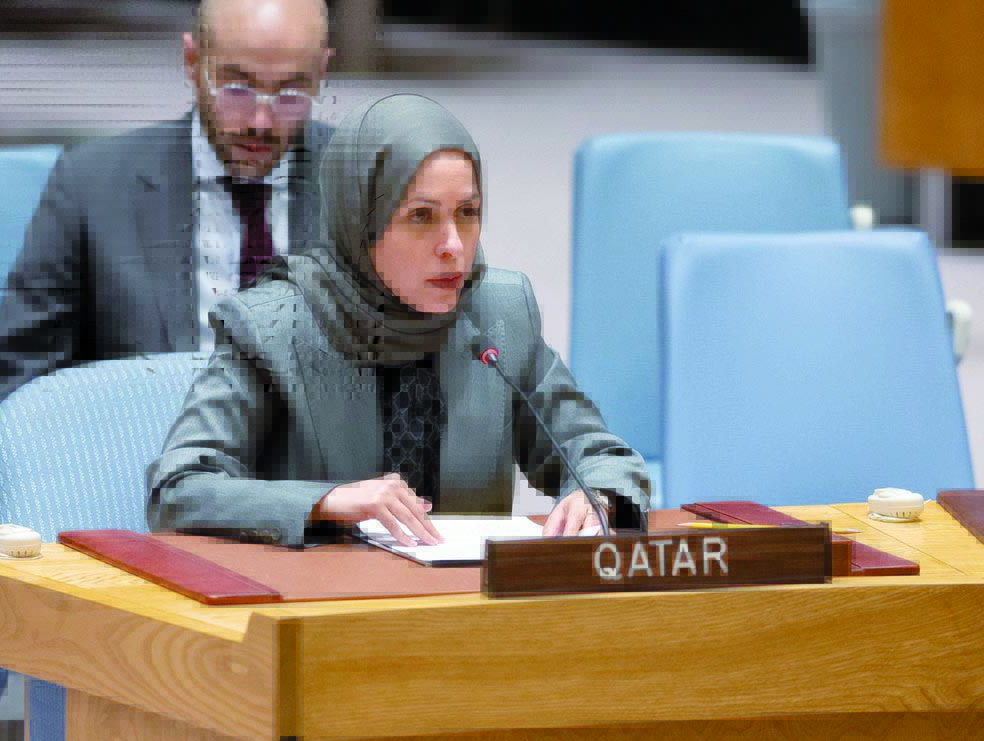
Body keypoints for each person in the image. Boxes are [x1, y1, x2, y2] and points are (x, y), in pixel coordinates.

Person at [147, 95, 651, 547]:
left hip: (465, 614)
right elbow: (179, 488)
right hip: (316, 614)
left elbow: (596, 452)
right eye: (421, 217)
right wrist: (327, 502)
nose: (453, 245)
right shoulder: (272, 328)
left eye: (468, 213)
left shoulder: (499, 313)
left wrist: (600, 495)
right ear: (362, 222)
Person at [0, 0, 333, 438]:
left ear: (321, 73)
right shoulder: (91, 185)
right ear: (192, 62)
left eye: (291, 95)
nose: (261, 121)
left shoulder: (370, 184)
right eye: (237, 88)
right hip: (144, 475)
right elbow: (13, 396)